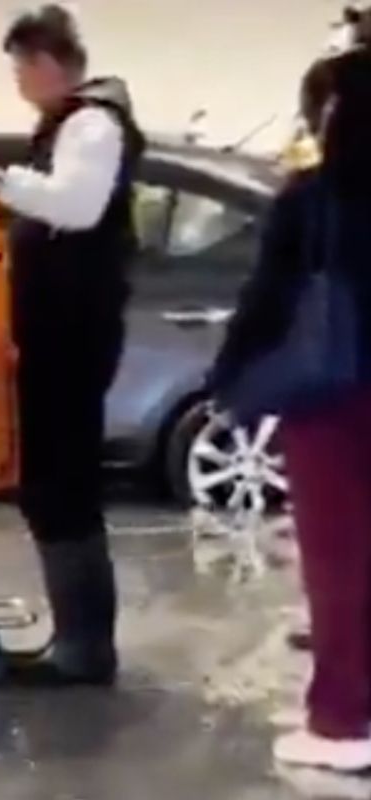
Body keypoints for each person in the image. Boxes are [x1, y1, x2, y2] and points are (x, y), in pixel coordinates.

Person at [0, 4, 146, 687]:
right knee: (51, 484)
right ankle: (76, 639)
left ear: (45, 63)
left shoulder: (92, 125)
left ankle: (85, 651)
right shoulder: (73, 124)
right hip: (56, 334)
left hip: (72, 335)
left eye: (18, 68)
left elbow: (77, 205)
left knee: (62, 484)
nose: (16, 82)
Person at [209, 48, 371, 774]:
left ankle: (342, 722)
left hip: (333, 399)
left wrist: (232, 380)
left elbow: (268, 299)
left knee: (340, 564)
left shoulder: (313, 199)